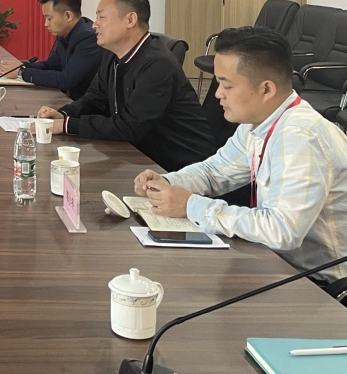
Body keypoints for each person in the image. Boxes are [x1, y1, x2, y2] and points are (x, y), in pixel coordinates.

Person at [135, 27, 347, 287]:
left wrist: (191, 205)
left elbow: (282, 231)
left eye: (227, 85)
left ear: (266, 89)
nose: (217, 94)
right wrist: (167, 183)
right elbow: (215, 172)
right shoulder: (260, 121)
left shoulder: (300, 137)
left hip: (322, 285)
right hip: (278, 263)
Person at [38, 0, 214, 172]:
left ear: (130, 20)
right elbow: (94, 99)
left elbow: (129, 127)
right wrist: (64, 114)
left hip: (182, 167)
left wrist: (67, 125)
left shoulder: (157, 64)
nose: (95, 25)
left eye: (101, 17)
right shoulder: (112, 55)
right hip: (142, 158)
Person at [18, 0, 103, 99]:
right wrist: (22, 66)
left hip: (85, 105)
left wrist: (21, 73)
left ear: (68, 16)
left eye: (49, 18)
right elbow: (52, 66)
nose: (46, 24)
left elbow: (66, 80)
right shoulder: (65, 33)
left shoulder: (88, 38)